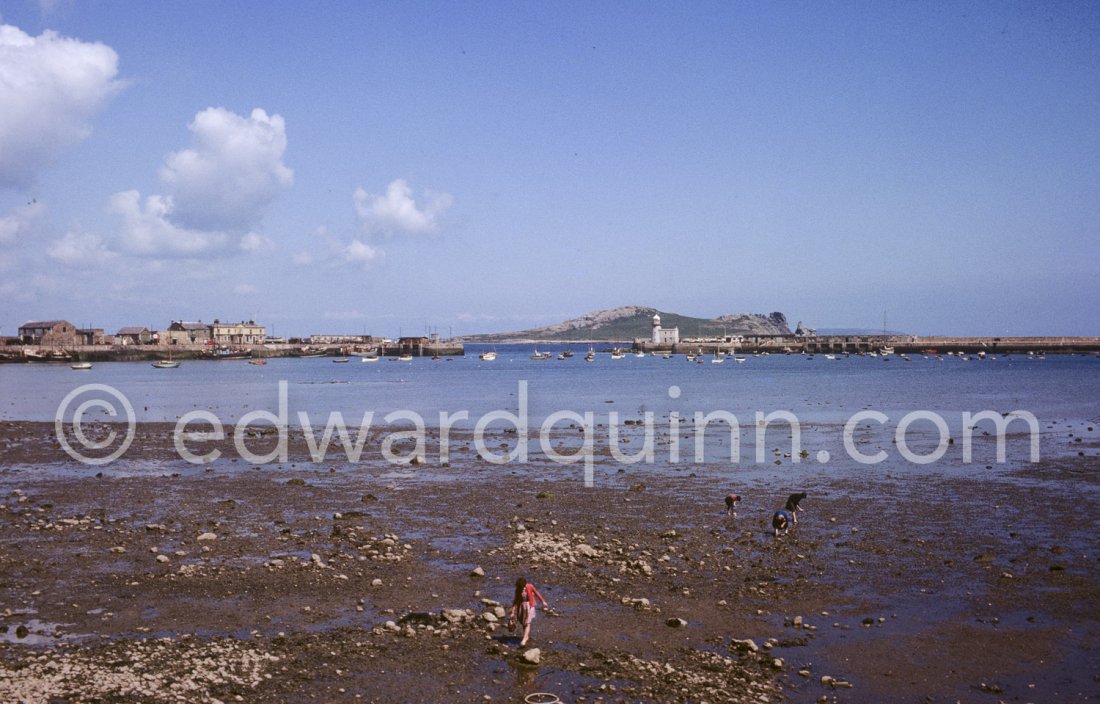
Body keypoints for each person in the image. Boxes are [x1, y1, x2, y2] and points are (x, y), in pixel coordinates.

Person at [509, 577, 548, 647]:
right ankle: (526, 636)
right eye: (521, 587)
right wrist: (512, 612)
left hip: (530, 606)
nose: (523, 588)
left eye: (524, 587)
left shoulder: (530, 586)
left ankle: (524, 639)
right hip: (521, 607)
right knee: (523, 623)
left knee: (527, 623)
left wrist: (543, 601)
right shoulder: (518, 590)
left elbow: (537, 593)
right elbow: (515, 601)